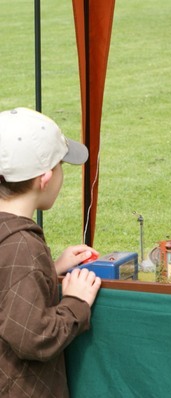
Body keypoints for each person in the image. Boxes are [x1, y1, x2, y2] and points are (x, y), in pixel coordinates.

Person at [0, 107, 102, 396]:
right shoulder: (23, 247)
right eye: (60, 166)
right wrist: (75, 303)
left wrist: (50, 270)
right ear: (45, 178)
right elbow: (32, 337)